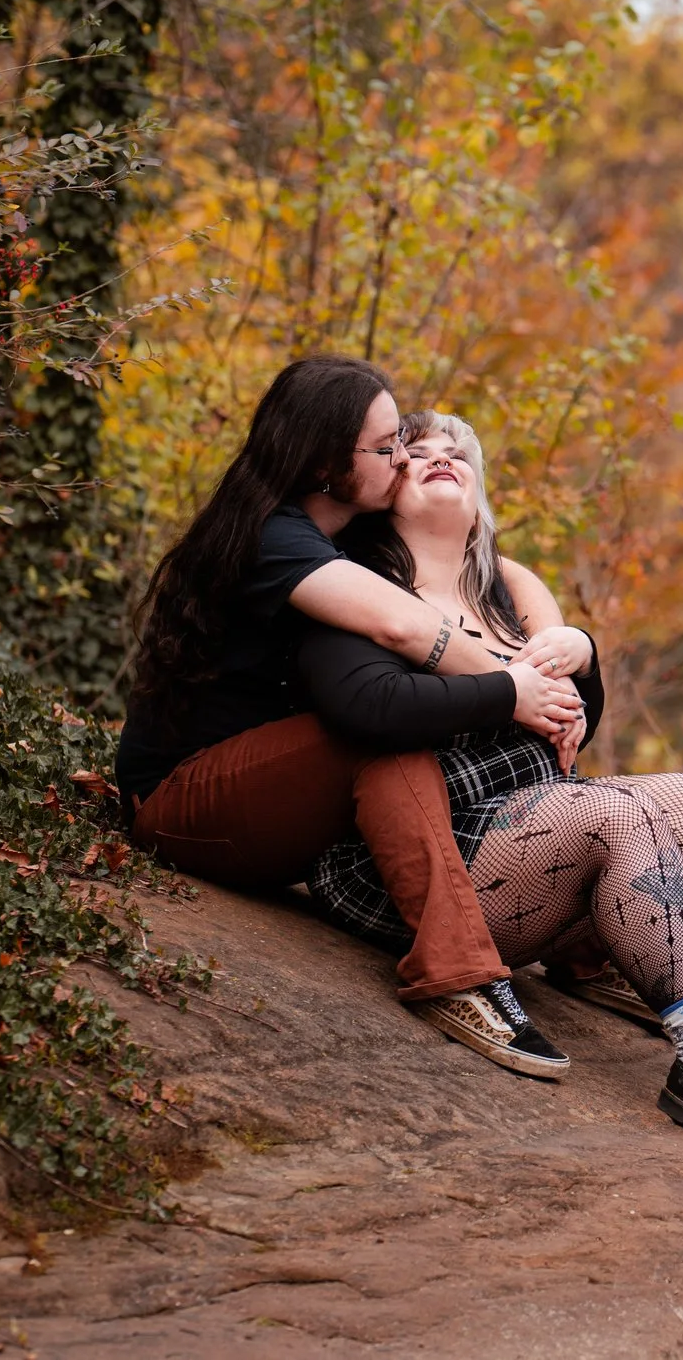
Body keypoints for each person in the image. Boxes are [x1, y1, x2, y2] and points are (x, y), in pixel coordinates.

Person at [298, 411, 683, 1159]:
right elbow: (368, 710)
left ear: (479, 489)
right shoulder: (363, 586)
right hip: (428, 848)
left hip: (526, 828)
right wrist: (510, 686)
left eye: (456, 452)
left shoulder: (504, 586)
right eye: (417, 452)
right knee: (614, 816)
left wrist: (583, 655)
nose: (440, 458)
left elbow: (569, 722)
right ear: (385, 485)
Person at [117, 357, 584, 1078]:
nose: (403, 457)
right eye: (387, 445)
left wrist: (568, 657)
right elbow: (404, 630)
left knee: (408, 727)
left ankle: (586, 944)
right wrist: (515, 688)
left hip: (276, 807)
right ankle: (457, 977)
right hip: (184, 800)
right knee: (379, 735)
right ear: (328, 462)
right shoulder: (275, 537)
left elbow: (472, 589)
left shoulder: (344, 540)